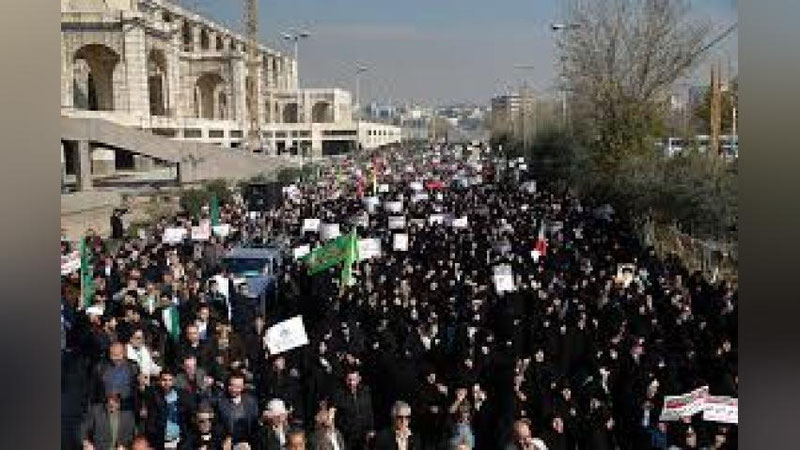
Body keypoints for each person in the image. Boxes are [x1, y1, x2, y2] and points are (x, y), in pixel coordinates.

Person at [143, 369, 196, 449]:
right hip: (160, 441)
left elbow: (189, 415)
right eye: (164, 380)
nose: (167, 383)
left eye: (170, 380)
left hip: (179, 441)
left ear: (174, 381)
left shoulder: (182, 396)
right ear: (159, 381)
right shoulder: (154, 396)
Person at [333, 370, 375, 449]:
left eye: (354, 380)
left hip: (364, 435)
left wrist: (371, 429)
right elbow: (337, 418)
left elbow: (369, 412)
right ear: (345, 380)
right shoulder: (339, 395)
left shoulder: (366, 391)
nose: (351, 383)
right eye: (349, 380)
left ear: (359, 379)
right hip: (348, 437)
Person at [217, 373, 260, 447]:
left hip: (248, 441)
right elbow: (219, 426)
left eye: (237, 387)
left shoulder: (251, 402)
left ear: (243, 387)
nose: (234, 389)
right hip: (228, 442)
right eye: (231, 385)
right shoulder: (220, 403)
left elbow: (255, 424)